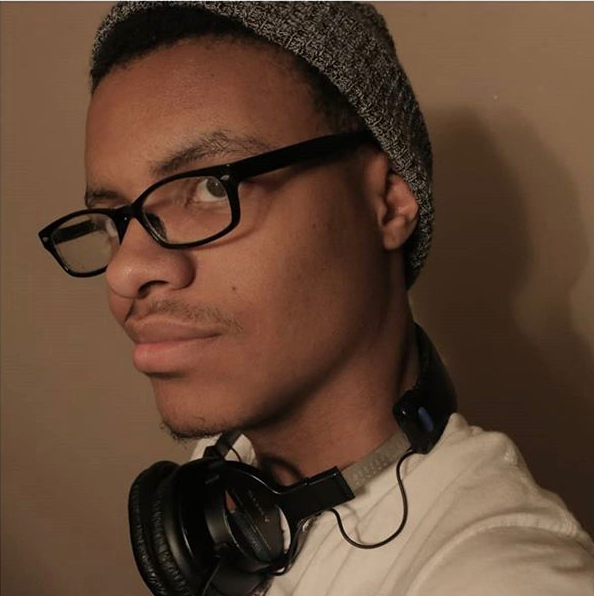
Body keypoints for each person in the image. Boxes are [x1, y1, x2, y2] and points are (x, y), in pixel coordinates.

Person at [38, 2, 594, 595]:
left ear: (389, 202)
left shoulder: (504, 577)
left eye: (209, 187)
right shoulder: (228, 475)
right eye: (112, 219)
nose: (125, 271)